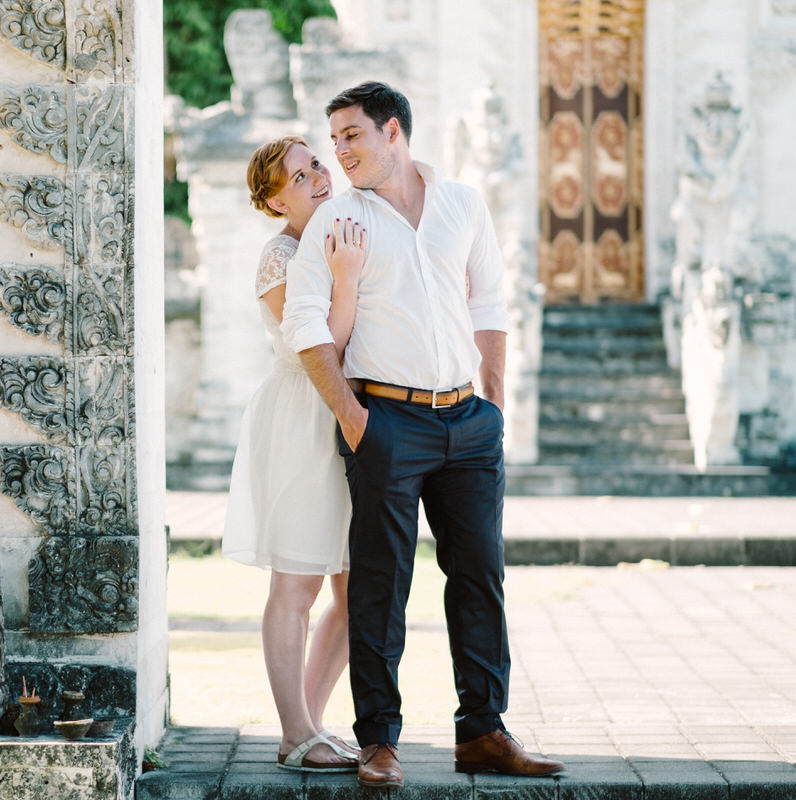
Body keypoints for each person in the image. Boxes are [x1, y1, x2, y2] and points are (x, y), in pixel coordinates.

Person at [281, 82, 565, 787]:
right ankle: (378, 740)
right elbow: (304, 325)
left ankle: (484, 731)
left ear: (394, 133)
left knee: (480, 575)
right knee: (380, 584)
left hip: (468, 422)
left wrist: (492, 405)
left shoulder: (463, 203)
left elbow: (491, 300)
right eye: (334, 139)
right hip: (387, 420)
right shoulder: (337, 221)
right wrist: (355, 419)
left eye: (352, 136)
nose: (339, 152)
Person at [222, 135, 368, 773]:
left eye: (318, 167)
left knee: (357, 585)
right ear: (274, 198)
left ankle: (307, 721)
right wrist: (347, 280)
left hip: (353, 418)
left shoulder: (339, 235)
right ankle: (293, 732)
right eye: (300, 176)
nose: (318, 178)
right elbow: (317, 347)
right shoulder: (280, 255)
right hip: (303, 419)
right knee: (299, 582)